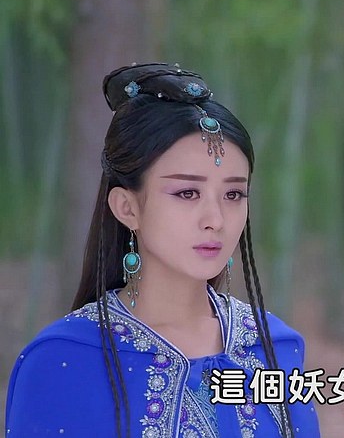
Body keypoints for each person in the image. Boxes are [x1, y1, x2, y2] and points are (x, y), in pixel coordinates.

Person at [5, 63, 320, 437]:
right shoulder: (64, 360)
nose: (216, 219)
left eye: (234, 194)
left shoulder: (275, 345)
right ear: (127, 207)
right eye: (187, 193)